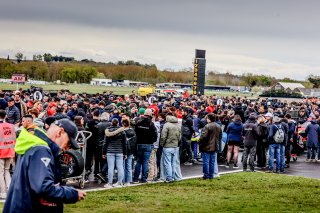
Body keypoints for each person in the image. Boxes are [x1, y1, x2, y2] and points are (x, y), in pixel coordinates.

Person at [4, 119, 86, 212]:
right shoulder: (41, 150)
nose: (67, 148)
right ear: (60, 132)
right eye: (69, 143)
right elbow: (43, 188)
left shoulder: (33, 146)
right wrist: (72, 194)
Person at [133, 109, 157, 183]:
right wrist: (151, 141)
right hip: (148, 145)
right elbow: (155, 136)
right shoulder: (151, 124)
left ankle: (136, 178)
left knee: (139, 161)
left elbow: (135, 134)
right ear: (150, 115)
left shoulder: (138, 123)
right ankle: (144, 179)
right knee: (145, 162)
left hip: (139, 144)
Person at [103, 118, 126, 188]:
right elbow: (124, 143)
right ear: (118, 123)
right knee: (120, 167)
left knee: (110, 167)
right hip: (120, 151)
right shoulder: (122, 131)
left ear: (111, 123)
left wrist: (103, 152)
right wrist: (125, 153)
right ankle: (120, 182)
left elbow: (105, 143)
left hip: (110, 151)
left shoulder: (108, 131)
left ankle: (110, 183)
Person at [199, 113, 222, 179]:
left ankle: (206, 175)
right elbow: (220, 137)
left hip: (207, 146)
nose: (206, 119)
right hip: (215, 146)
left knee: (206, 161)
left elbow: (203, 137)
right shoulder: (218, 126)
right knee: (212, 162)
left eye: (207, 118)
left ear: (209, 119)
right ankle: (211, 175)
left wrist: (199, 142)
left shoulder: (207, 126)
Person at [160, 114, 182, 182]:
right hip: (175, 146)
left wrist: (162, 144)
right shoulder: (178, 125)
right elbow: (180, 137)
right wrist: (177, 144)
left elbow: (163, 136)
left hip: (167, 146)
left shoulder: (166, 125)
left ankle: (169, 177)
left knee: (167, 162)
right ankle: (173, 176)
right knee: (174, 162)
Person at [0, 110, 16, 200]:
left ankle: (3, 193)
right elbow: (14, 139)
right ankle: (10, 191)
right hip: (10, 151)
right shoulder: (11, 126)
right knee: (7, 172)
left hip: (1, 152)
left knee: (1, 173)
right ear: (5, 116)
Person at [122, 118, 136, 186]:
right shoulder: (133, 131)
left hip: (123, 151)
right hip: (131, 151)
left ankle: (123, 180)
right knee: (129, 166)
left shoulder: (122, 132)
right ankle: (129, 181)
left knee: (122, 166)